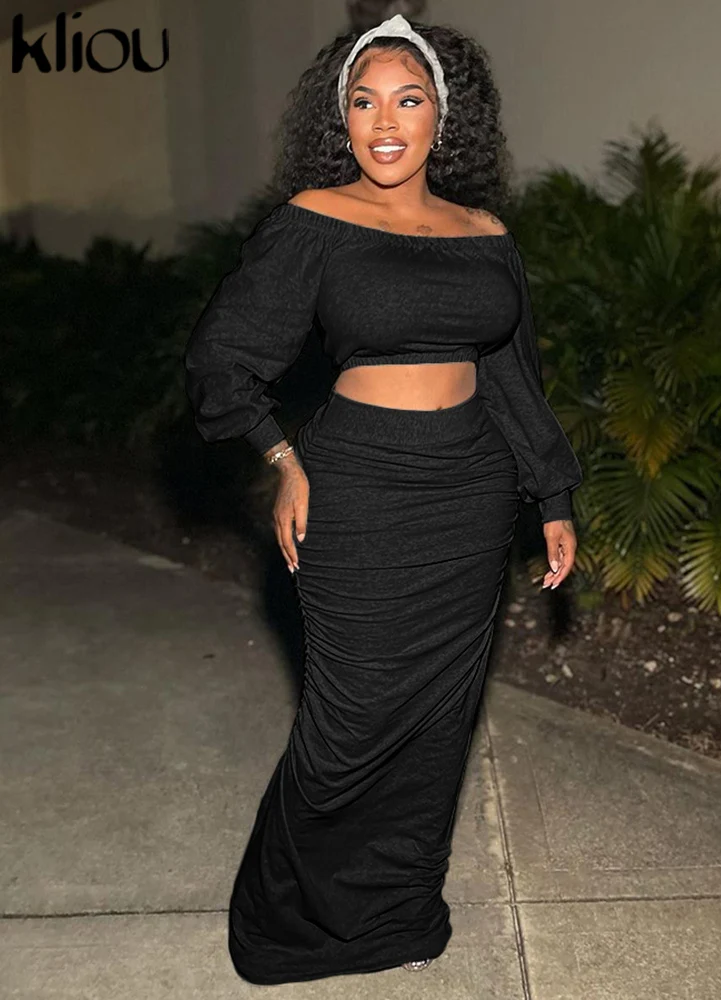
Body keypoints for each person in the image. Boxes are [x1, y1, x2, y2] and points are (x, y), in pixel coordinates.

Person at [184, 13, 582, 986]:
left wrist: (553, 494)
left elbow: (513, 378)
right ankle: (286, 922)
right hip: (357, 487)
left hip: (471, 497)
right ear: (342, 119)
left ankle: (394, 913)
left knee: (438, 723)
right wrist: (284, 458)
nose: (386, 121)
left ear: (445, 116)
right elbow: (223, 360)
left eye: (409, 99)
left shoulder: (484, 233)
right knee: (347, 724)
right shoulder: (317, 219)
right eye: (363, 102)